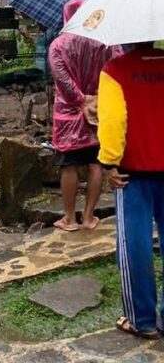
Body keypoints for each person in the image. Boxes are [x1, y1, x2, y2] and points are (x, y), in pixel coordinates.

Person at [98, 40, 164, 340]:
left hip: (133, 173)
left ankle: (143, 319)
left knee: (134, 244)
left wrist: (109, 161)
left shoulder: (115, 70)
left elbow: (114, 121)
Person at [49, 0, 118, 232]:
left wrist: (80, 100)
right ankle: (89, 217)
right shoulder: (104, 43)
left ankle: (69, 218)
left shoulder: (58, 45)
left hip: (68, 115)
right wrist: (96, 98)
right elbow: (115, 68)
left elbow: (62, 80)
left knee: (68, 165)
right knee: (95, 163)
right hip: (99, 110)